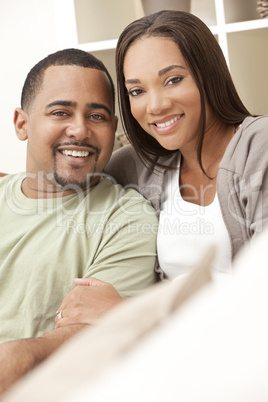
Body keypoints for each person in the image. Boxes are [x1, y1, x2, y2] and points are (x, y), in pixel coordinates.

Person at [54, 10, 268, 328]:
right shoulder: (142, 165)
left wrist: (127, 315)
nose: (155, 106)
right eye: (137, 91)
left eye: (172, 80)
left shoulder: (259, 147)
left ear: (208, 74)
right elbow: (68, 181)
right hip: (172, 352)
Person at [0, 48, 158, 393]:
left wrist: (18, 356)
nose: (79, 130)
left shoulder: (127, 218)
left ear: (114, 130)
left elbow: (94, 334)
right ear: (21, 123)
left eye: (97, 117)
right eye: (60, 112)